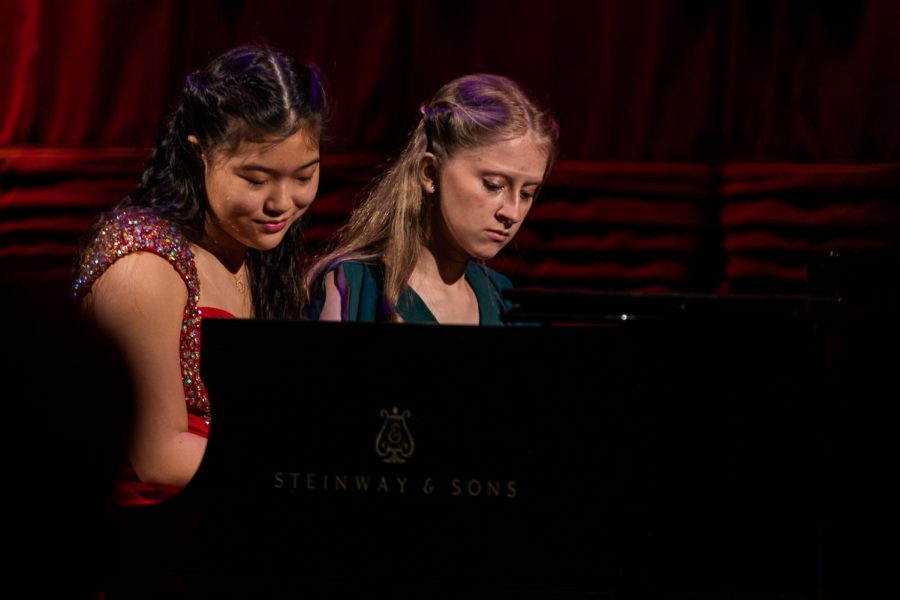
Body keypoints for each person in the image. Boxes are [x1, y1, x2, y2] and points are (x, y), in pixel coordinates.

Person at [73, 44, 327, 504]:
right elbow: (159, 455)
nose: (281, 202)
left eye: (304, 176)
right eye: (255, 179)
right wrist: (307, 471)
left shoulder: (258, 247)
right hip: (150, 539)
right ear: (198, 155)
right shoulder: (144, 264)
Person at [305, 73, 558, 325]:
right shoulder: (354, 287)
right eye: (494, 185)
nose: (513, 213)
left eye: (527, 194)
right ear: (430, 173)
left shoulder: (505, 302)